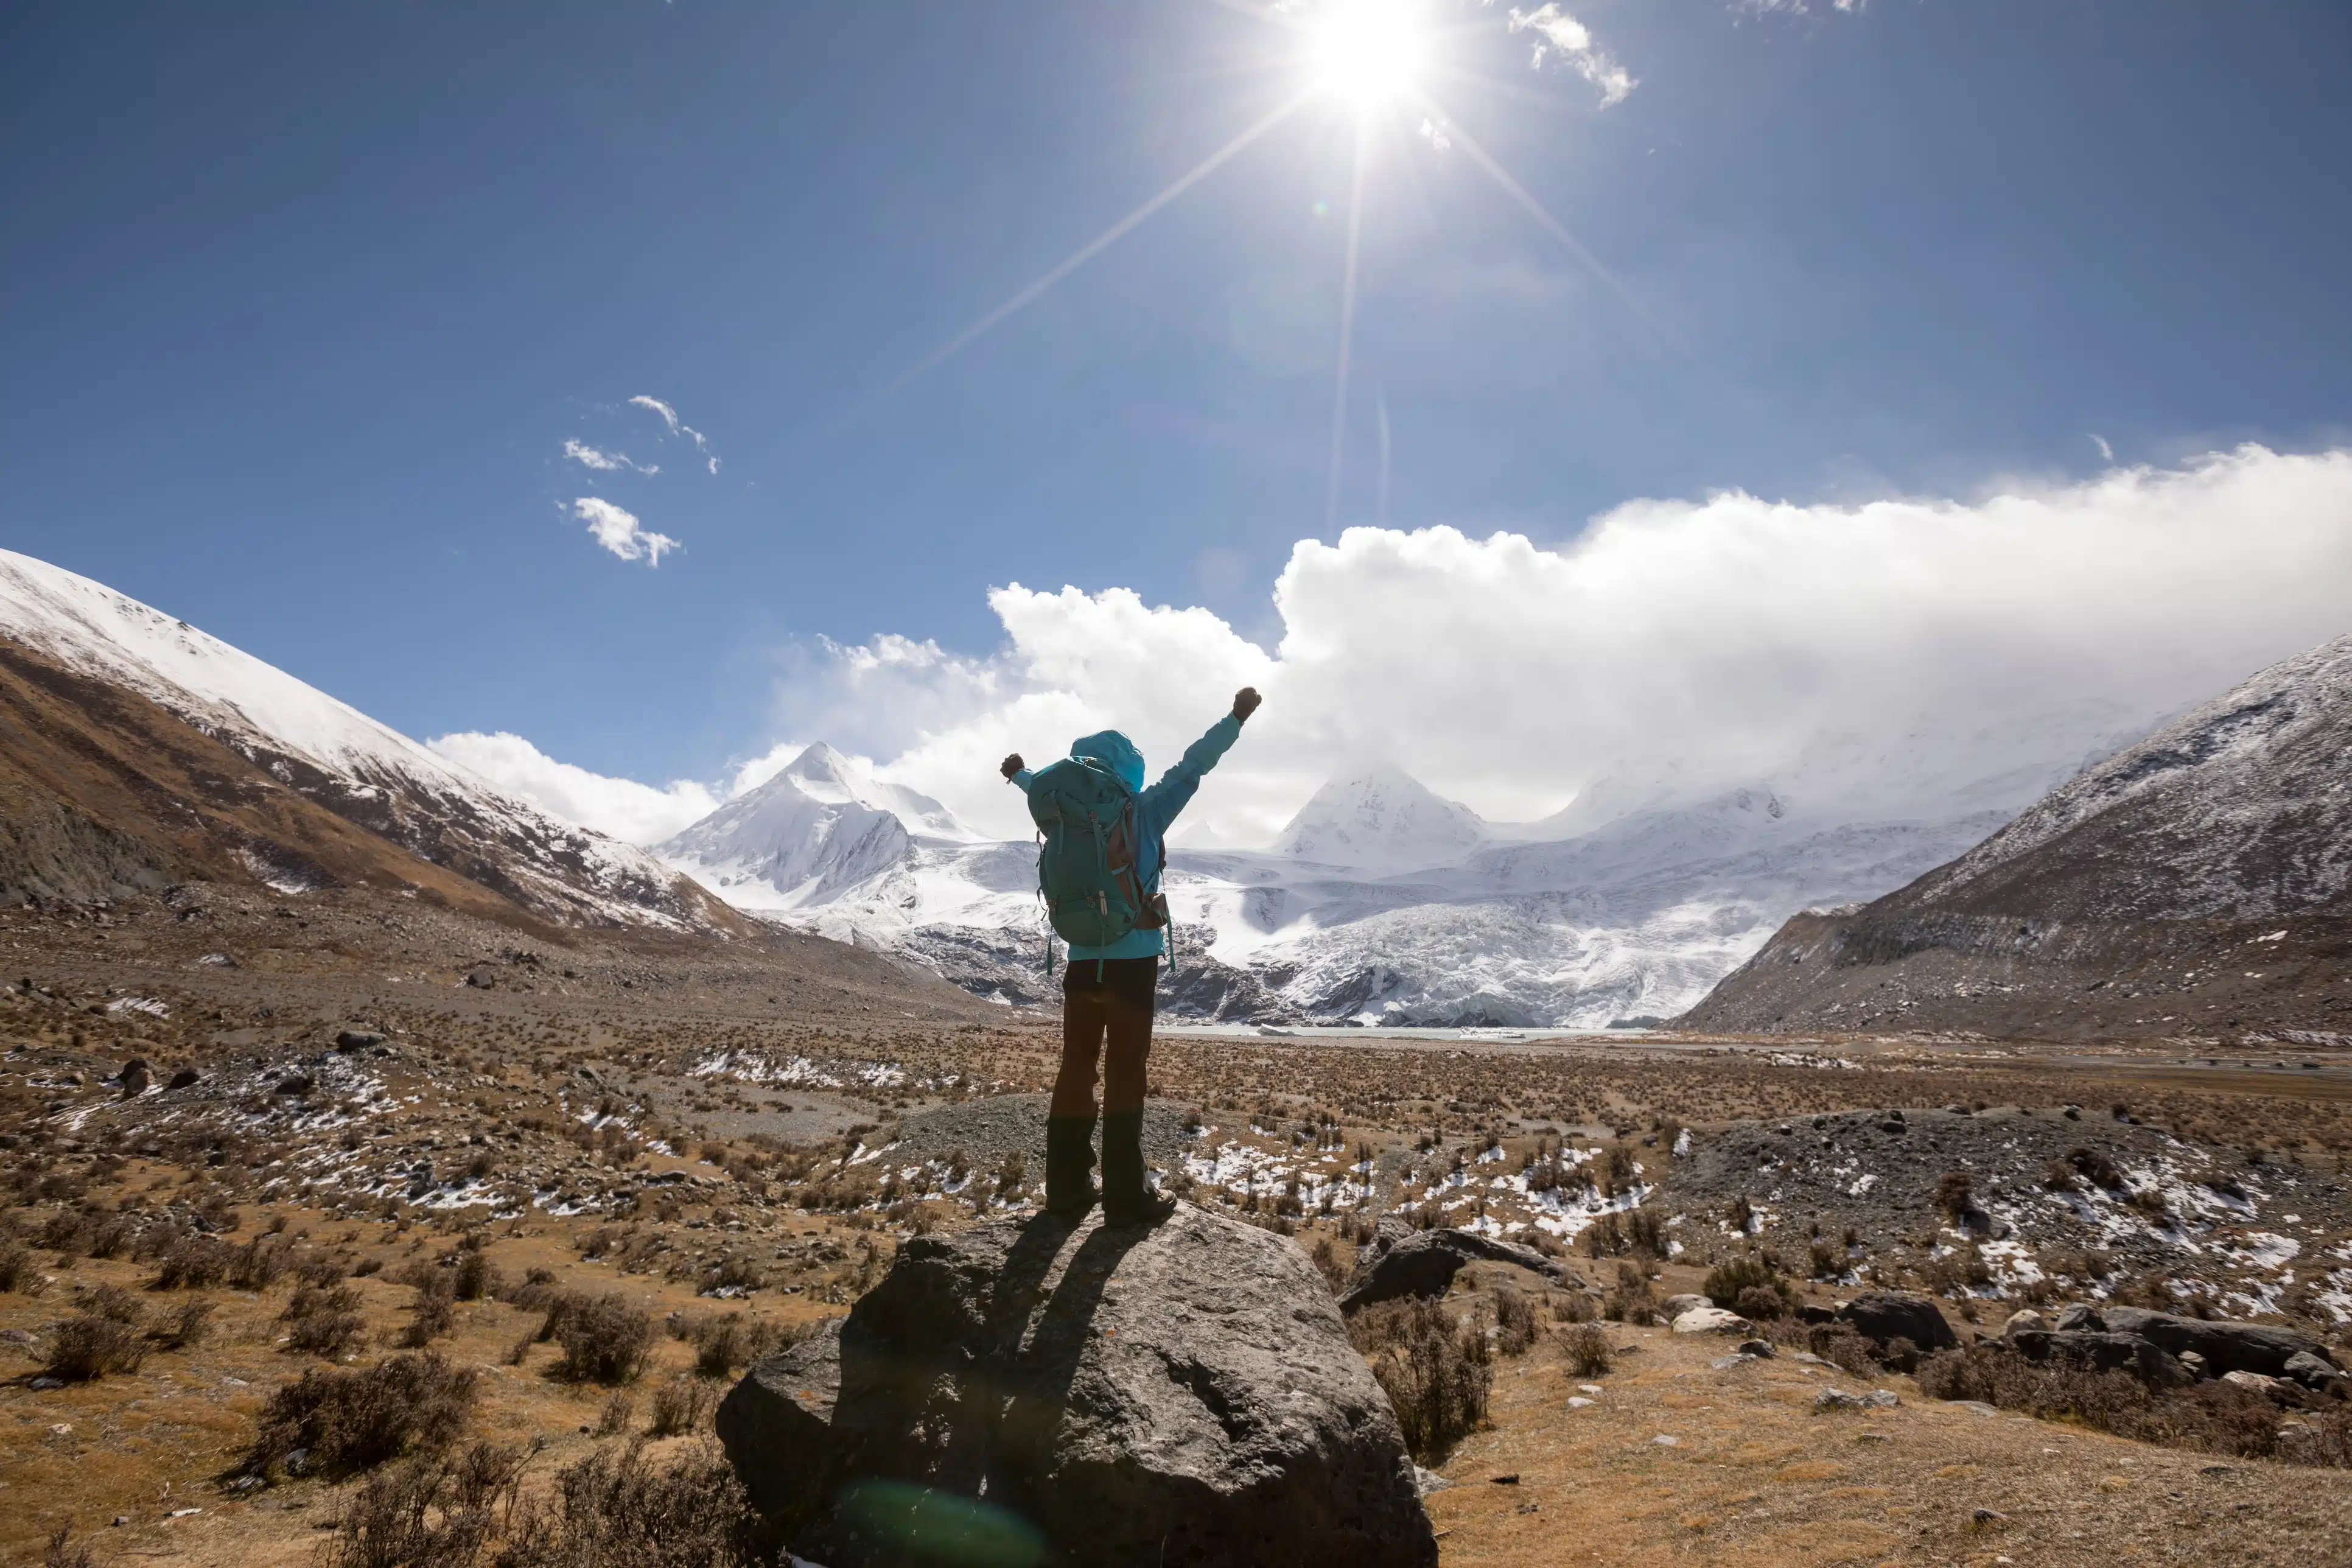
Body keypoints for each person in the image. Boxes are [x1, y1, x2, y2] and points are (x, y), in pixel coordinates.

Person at [1000, 685, 1262, 1224]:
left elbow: (1034, 785)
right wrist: (1235, 719)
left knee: (1075, 1068)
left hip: (1080, 960)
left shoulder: (1060, 812)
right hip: (1132, 966)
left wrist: (1019, 775)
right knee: (1125, 1071)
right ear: (1128, 771)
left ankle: (1067, 1187)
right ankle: (1125, 1195)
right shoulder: (1143, 811)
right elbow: (1194, 766)